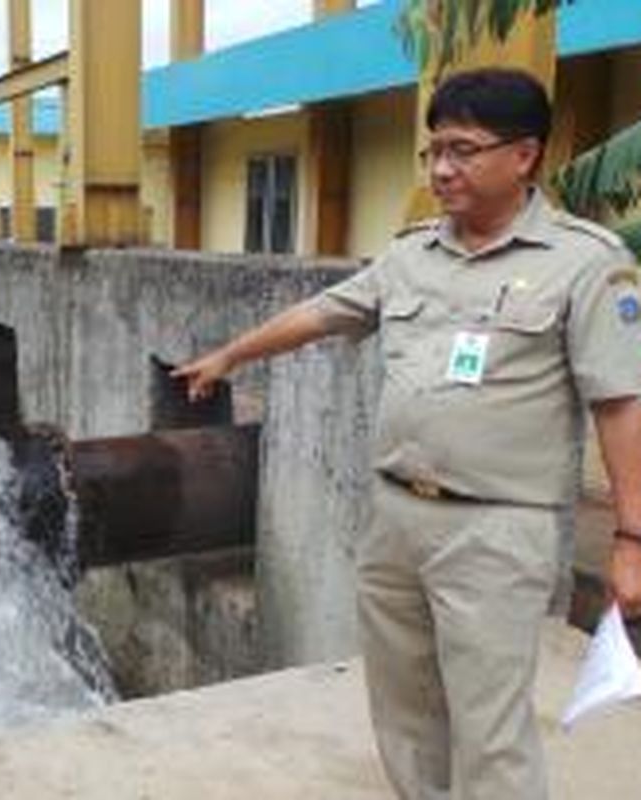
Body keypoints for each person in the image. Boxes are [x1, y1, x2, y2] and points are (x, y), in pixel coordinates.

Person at [175, 67, 641, 799]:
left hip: (497, 531)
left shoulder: (585, 264)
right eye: (433, 152)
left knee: (490, 731)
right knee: (403, 714)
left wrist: (629, 540)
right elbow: (325, 312)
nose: (442, 169)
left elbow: (621, 405)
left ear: (524, 156)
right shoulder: (412, 252)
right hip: (397, 520)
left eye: (461, 150)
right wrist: (233, 354)